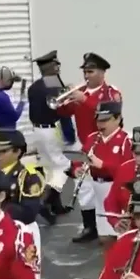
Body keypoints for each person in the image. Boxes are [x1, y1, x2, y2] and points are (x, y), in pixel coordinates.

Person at [56, 52, 122, 217]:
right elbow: (66, 112)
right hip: (83, 142)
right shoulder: (81, 92)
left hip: (103, 143)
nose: (86, 75)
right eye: (85, 72)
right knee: (83, 185)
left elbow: (111, 113)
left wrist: (84, 100)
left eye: (90, 72)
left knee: (104, 182)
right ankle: (89, 225)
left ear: (102, 72)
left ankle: (108, 218)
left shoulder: (110, 92)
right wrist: (62, 101)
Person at [69, 101, 133, 245]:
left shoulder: (126, 140)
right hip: (97, 188)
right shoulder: (93, 138)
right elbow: (81, 158)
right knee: (105, 237)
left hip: (117, 189)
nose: (100, 124)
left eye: (105, 120)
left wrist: (103, 165)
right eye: (98, 120)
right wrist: (76, 169)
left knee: (122, 236)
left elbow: (129, 171)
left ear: (118, 119)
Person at [28, 50, 73, 217]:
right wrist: (70, 135)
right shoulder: (55, 86)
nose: (58, 68)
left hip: (37, 131)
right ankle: (45, 200)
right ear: (52, 67)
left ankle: (56, 206)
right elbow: (64, 112)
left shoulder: (34, 87)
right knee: (64, 166)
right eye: (56, 65)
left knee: (49, 168)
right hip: (50, 130)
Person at [0, 129, 46, 251]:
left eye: (2, 152)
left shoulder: (29, 176)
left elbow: (28, 214)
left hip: (21, 233)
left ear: (17, 152)